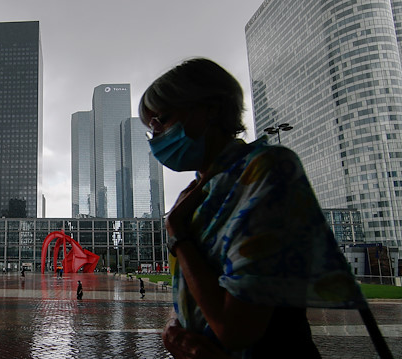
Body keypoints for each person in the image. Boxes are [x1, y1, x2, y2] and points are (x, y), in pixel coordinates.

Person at [140, 57, 366, 358]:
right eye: (150, 126)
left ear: (210, 109)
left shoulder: (265, 170)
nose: (156, 134)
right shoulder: (199, 193)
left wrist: (178, 235)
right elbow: (191, 289)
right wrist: (175, 327)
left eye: (163, 118)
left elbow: (234, 330)